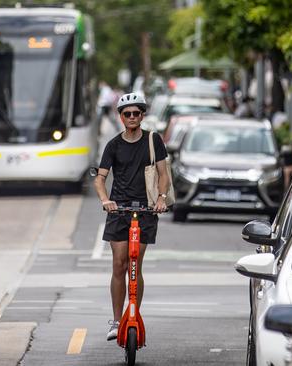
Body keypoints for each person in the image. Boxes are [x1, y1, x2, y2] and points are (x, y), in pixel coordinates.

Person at [93, 92, 170, 341]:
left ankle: (133, 312)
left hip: (146, 209)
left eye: (137, 113)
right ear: (121, 116)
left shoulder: (153, 140)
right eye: (128, 114)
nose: (132, 117)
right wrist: (106, 201)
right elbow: (100, 179)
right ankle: (116, 321)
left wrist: (161, 198)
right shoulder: (113, 145)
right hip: (119, 211)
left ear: (143, 115)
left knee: (135, 264)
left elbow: (163, 173)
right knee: (119, 264)